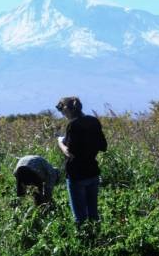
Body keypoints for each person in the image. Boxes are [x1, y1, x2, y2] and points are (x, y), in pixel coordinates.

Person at [55, 96, 107, 226]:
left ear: (67, 110)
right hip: (93, 172)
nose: (62, 115)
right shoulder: (93, 121)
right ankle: (97, 241)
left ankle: (84, 243)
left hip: (76, 175)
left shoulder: (72, 125)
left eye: (62, 112)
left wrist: (60, 142)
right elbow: (103, 146)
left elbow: (70, 152)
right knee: (93, 215)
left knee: (80, 218)